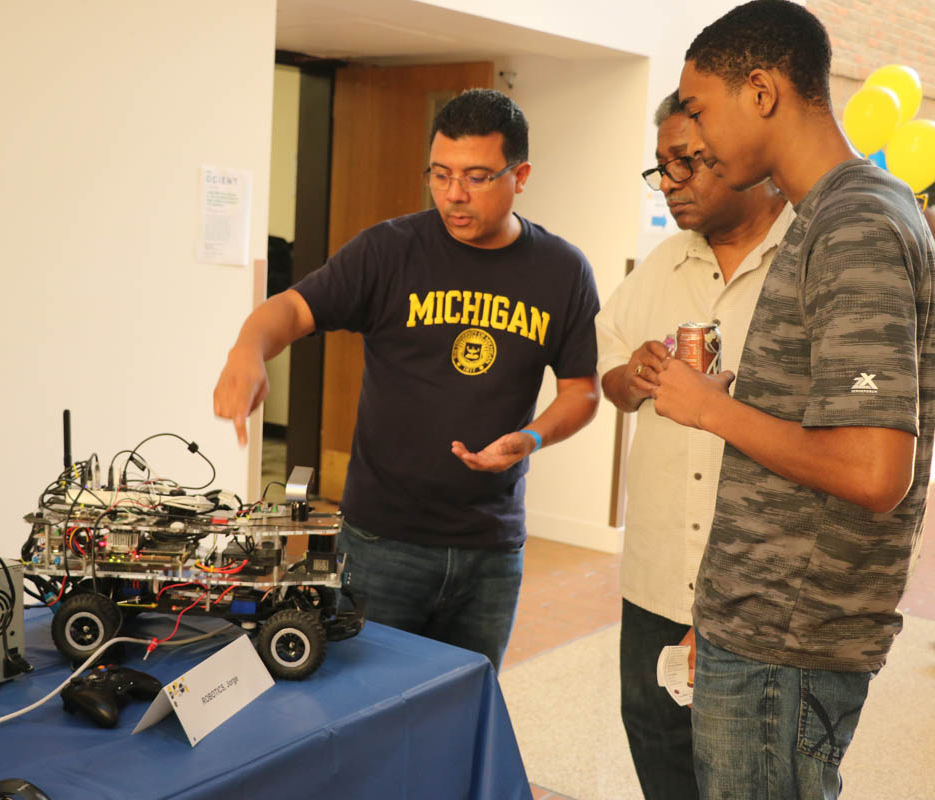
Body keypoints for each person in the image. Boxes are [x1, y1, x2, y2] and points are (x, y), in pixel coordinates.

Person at [213, 88, 601, 671]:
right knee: (364, 710)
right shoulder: (389, 251)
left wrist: (533, 438)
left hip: (491, 549)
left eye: (476, 177)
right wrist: (248, 348)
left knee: (464, 706)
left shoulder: (562, 271)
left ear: (520, 175)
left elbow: (581, 391)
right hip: (382, 543)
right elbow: (290, 311)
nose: (453, 194)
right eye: (440, 174)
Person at [652, 1, 935, 797]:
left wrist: (710, 408)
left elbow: (876, 469)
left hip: (791, 641)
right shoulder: (831, 216)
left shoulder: (855, 223)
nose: (695, 139)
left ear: (764, 92)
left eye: (700, 109)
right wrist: (723, 614)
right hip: (765, 628)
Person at [595, 89, 791, 800]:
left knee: (755, 774)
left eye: (691, 163)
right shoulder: (663, 264)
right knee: (658, 750)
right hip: (656, 580)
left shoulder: (807, 262)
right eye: (662, 167)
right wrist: (634, 374)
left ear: (746, 153)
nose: (673, 183)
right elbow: (608, 377)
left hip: (758, 592)